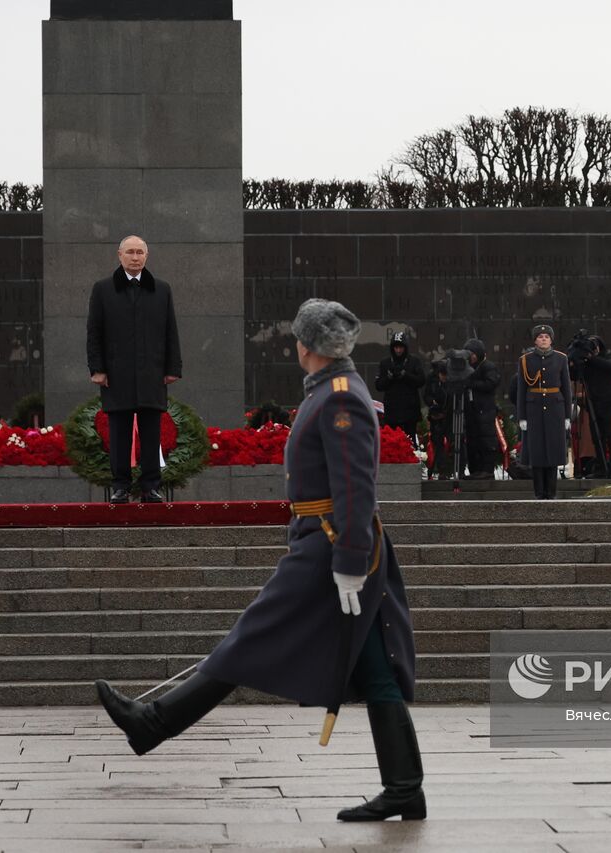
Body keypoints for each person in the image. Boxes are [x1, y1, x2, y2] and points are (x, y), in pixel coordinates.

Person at [94, 298, 425, 822]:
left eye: (298, 337)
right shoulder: (326, 391)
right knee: (373, 664)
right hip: (322, 541)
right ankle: (405, 788)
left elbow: (356, 487)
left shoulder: (340, 398)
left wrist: (350, 559)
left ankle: (153, 722)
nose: (294, 345)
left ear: (309, 346)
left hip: (330, 547)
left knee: (250, 638)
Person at [86, 235, 182, 504]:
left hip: (152, 372)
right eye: (130, 252)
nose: (135, 257)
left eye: (140, 252)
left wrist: (172, 367)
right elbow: (94, 332)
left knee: (152, 432)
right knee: (119, 433)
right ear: (119, 255)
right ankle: (121, 487)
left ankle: (151, 486)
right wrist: (98, 369)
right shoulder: (103, 289)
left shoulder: (161, 289)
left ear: (147, 256)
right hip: (117, 375)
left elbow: (170, 330)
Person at [515, 325, 571, 499]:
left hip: (555, 408)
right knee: (537, 451)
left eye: (547, 336)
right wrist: (522, 416)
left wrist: (567, 415)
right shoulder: (525, 360)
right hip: (534, 409)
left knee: (553, 451)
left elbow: (566, 388)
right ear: (535, 340)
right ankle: (539, 493)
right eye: (540, 337)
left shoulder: (561, 359)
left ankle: (551, 492)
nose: (544, 339)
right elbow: (521, 390)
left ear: (551, 339)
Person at [580, 337, 611, 476]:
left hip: (609, 404)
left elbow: (610, 367)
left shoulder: (606, 359)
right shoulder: (587, 363)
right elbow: (577, 375)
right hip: (594, 405)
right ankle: (601, 467)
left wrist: (591, 358)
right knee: (597, 438)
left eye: (595, 346)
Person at [374, 331, 425, 446]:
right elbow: (378, 385)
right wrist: (389, 377)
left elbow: (421, 380)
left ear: (405, 348)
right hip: (392, 411)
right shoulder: (385, 363)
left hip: (410, 411)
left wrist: (406, 375)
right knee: (392, 443)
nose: (398, 350)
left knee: (411, 442)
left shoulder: (414, 362)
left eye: (401, 347)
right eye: (396, 347)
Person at [462, 339, 502, 480]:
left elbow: (491, 383)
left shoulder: (488, 367)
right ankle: (475, 469)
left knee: (486, 439)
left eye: (472, 353)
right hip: (471, 410)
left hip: (485, 409)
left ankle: (487, 469)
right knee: (473, 440)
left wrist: (472, 383)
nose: (471, 357)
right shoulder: (467, 368)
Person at [423, 360, 452, 479]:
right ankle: (441, 470)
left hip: (448, 416)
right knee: (438, 444)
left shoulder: (450, 382)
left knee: (451, 443)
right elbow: (426, 395)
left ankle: (450, 469)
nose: (444, 377)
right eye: (442, 375)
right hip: (436, 416)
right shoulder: (432, 379)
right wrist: (431, 402)